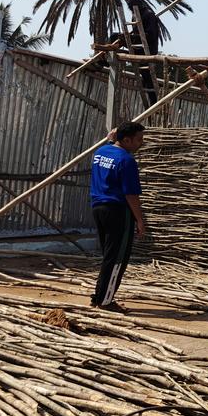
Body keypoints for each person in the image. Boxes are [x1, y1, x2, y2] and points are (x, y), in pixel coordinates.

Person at [89, 122, 147, 312]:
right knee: (117, 258)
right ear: (127, 140)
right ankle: (106, 300)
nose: (141, 143)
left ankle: (99, 295)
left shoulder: (101, 152)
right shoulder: (127, 161)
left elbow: (110, 144)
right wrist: (139, 219)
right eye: (138, 139)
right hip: (118, 211)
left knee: (108, 254)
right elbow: (131, 195)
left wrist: (111, 139)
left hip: (98, 207)